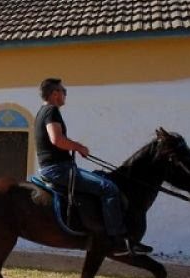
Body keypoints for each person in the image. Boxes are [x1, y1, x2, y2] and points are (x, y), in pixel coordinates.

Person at [34, 78, 150, 256]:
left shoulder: (42, 112)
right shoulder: (51, 111)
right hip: (58, 169)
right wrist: (78, 147)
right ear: (55, 93)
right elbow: (56, 140)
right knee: (108, 188)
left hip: (55, 167)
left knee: (100, 178)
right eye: (63, 91)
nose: (65, 95)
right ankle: (117, 240)